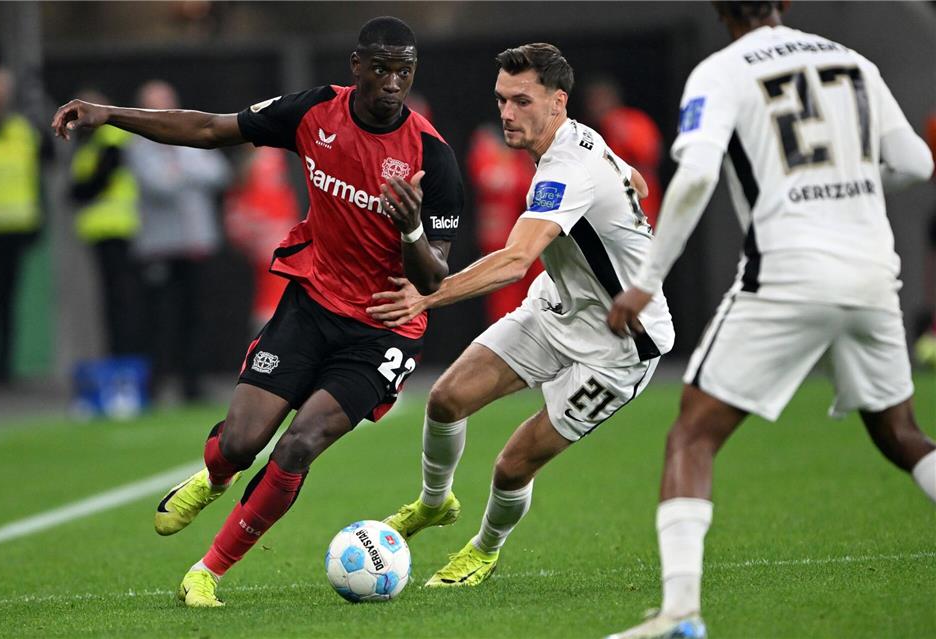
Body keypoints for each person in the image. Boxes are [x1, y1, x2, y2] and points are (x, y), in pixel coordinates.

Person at [51, 16, 463, 607]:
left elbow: (433, 277)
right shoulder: (314, 112)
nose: (392, 82)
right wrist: (111, 114)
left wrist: (412, 229)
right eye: (381, 68)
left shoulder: (432, 157)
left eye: (404, 70)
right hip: (311, 304)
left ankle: (207, 571)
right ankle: (216, 474)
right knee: (243, 443)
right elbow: (211, 129)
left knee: (298, 444)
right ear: (356, 67)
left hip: (382, 329)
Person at [605, 3, 936, 637]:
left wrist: (646, 282)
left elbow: (697, 174)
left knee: (692, 436)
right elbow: (918, 163)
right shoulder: (853, 62)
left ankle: (680, 613)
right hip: (872, 272)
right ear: (783, 1)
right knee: (901, 434)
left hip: (787, 273)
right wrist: (851, 184)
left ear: (721, 10)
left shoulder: (721, 70)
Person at [369, 43, 674, 587]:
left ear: (557, 102)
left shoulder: (566, 168)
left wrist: (424, 296)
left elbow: (514, 262)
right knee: (446, 399)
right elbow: (639, 182)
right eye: (502, 100)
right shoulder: (579, 138)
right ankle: (434, 503)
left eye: (522, 101)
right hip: (558, 307)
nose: (507, 113)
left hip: (621, 344)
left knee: (511, 465)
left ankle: (484, 550)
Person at [127, 80, 232, 401]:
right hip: (159, 246)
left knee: (196, 317)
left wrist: (180, 171)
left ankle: (193, 385)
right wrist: (189, 173)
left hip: (197, 243)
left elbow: (219, 174)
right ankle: (156, 386)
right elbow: (158, 185)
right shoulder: (137, 146)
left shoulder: (191, 138)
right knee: (160, 319)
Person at [0, 67, 45, 384]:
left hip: (15, 227)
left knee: (6, 301)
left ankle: (2, 368)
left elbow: (41, 168)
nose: (0, 95)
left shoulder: (22, 128)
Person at [69, 89, 142, 357]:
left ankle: (126, 357)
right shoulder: (89, 142)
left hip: (119, 228)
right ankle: (118, 356)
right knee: (113, 300)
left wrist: (77, 191)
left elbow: (93, 183)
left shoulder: (111, 138)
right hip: (102, 230)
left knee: (123, 300)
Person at [466, 122, 540, 323]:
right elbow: (493, 179)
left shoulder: (521, 159)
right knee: (503, 307)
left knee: (537, 297)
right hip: (498, 240)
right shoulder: (488, 156)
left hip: (528, 240)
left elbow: (529, 189)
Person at [224, 145, 302, 330]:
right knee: (271, 292)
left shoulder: (271, 155)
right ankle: (266, 339)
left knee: (273, 291)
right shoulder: (267, 156)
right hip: (270, 234)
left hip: (276, 232)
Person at [584, 78, 664, 228]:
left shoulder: (633, 120)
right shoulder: (588, 131)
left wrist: (619, 129)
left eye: (599, 100)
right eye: (592, 102)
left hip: (641, 201)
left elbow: (650, 154)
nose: (595, 106)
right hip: (610, 208)